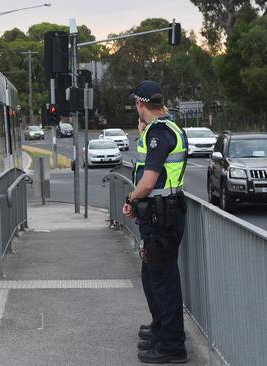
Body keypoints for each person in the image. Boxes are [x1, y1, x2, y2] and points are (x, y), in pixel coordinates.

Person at [123, 80, 189, 363]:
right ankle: (161, 330)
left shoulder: (159, 134)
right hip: (161, 213)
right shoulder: (164, 128)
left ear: (140, 104)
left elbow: (148, 181)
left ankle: (171, 346)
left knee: (162, 282)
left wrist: (130, 197)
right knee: (153, 277)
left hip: (162, 216)